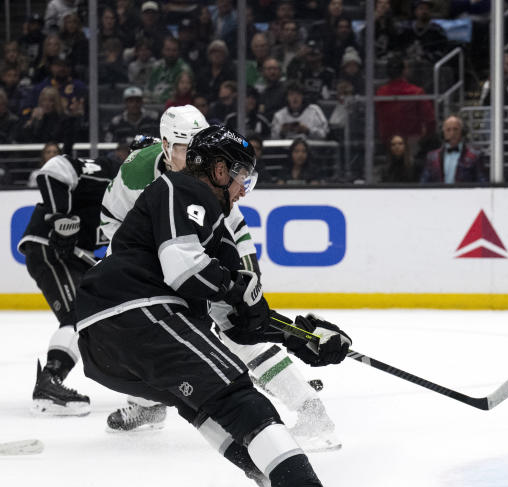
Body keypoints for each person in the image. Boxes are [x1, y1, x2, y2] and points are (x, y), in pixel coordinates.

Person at [76, 124, 378, 487]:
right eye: (243, 177)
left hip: (104, 343)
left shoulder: (216, 232)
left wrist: (303, 339)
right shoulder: (178, 189)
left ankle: (274, 481)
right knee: (235, 393)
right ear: (219, 170)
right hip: (134, 311)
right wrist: (237, 287)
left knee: (204, 406)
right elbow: (183, 268)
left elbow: (237, 322)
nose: (243, 190)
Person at [99, 107, 342, 450]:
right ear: (166, 145)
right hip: (157, 258)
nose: (195, 154)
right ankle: (147, 405)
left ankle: (309, 409)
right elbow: (110, 222)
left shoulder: (209, 170)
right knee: (144, 327)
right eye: (185, 146)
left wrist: (244, 281)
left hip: (204, 250)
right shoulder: (138, 171)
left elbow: (232, 226)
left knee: (239, 328)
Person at [16, 148, 125, 414]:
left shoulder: (146, 198)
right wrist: (60, 217)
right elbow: (55, 168)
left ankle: (142, 394)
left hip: (77, 256)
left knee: (100, 319)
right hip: (50, 246)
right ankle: (48, 384)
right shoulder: (113, 173)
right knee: (78, 316)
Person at [375, 55, 435, 156]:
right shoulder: (416, 92)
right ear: (404, 71)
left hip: (388, 141)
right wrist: (425, 137)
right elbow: (430, 120)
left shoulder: (380, 93)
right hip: (411, 141)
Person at [420, 115, 486, 184]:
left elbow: (482, 181)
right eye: (448, 130)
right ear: (443, 133)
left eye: (455, 129)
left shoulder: (475, 155)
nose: (452, 133)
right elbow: (424, 182)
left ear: (462, 132)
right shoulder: (432, 156)